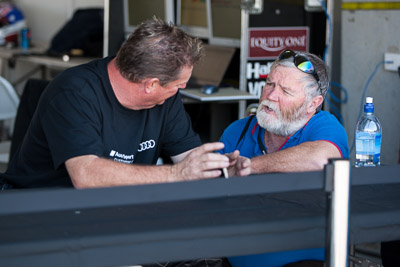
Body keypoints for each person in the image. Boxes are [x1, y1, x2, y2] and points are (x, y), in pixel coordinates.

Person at [1, 17, 250, 190]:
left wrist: (220, 170)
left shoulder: (166, 98)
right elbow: (86, 177)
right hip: (43, 212)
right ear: (150, 84)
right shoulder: (74, 93)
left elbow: (187, 157)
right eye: (178, 83)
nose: (182, 88)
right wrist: (177, 174)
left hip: (115, 210)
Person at [219, 49, 349, 267]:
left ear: (312, 104)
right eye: (269, 84)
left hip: (304, 261)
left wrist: (249, 167)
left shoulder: (324, 125)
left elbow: (323, 159)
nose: (270, 96)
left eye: (285, 91)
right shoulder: (238, 131)